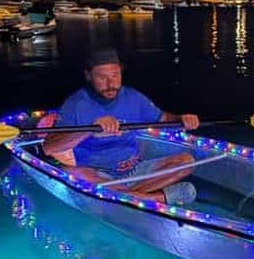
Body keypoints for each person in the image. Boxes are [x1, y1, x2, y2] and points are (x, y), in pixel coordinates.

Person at [43, 47, 200, 204]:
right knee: (71, 172)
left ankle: (126, 196)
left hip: (134, 170)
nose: (111, 84)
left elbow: (163, 118)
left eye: (115, 75)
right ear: (88, 76)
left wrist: (181, 119)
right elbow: (49, 147)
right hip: (97, 175)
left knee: (186, 161)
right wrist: (89, 130)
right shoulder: (75, 104)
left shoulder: (134, 97)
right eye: (102, 77)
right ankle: (157, 198)